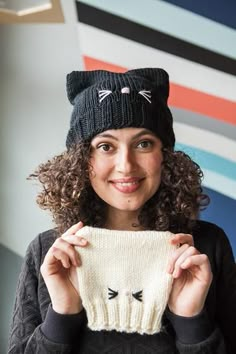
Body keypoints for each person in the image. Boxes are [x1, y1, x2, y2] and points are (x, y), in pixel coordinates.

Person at [8, 68, 236, 354]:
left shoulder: (207, 248)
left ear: (165, 156)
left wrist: (192, 321)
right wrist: (62, 315)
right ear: (81, 159)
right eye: (105, 146)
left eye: (143, 144)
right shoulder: (47, 253)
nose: (126, 165)